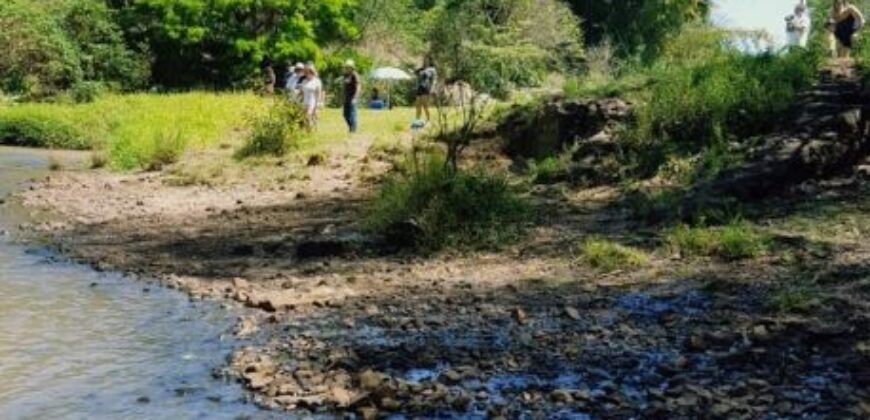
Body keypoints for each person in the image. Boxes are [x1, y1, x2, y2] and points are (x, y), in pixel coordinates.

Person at [300, 64, 323, 131]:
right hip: (305, 102)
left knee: (308, 117)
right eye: (306, 72)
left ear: (312, 72)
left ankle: (311, 131)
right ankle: (309, 131)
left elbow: (318, 94)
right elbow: (302, 92)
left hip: (312, 102)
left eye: (309, 71)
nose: (307, 73)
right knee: (306, 118)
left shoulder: (317, 81)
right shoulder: (304, 81)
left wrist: (317, 105)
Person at [414, 57, 437, 123]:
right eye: (424, 61)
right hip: (419, 88)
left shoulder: (432, 69)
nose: (425, 62)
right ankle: (417, 120)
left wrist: (432, 88)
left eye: (427, 61)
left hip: (426, 88)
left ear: (429, 62)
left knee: (425, 105)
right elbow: (415, 73)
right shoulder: (420, 69)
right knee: (418, 105)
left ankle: (428, 120)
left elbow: (434, 80)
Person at [342, 59, 361, 133]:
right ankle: (351, 127)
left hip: (352, 97)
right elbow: (345, 87)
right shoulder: (345, 75)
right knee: (345, 114)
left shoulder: (354, 75)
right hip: (346, 97)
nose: (346, 68)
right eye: (346, 67)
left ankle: (353, 129)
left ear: (352, 68)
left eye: (348, 67)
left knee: (352, 114)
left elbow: (358, 86)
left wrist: (355, 97)